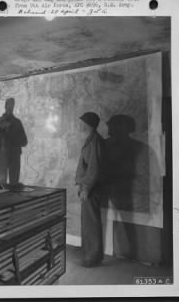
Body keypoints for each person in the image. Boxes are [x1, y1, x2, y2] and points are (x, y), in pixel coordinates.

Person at [75, 112, 106, 267]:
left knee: (91, 223)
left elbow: (94, 168)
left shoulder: (95, 141)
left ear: (89, 124)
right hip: (88, 187)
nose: (80, 125)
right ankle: (90, 255)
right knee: (88, 222)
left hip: (91, 188)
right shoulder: (91, 139)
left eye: (82, 122)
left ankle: (93, 257)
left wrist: (86, 188)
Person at [0, 98, 28, 187]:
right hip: (3, 154)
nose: (10, 107)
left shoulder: (17, 122)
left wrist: (15, 139)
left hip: (14, 154)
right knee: (2, 182)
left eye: (12, 105)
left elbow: (24, 141)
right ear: (5, 106)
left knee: (14, 182)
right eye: (9, 105)